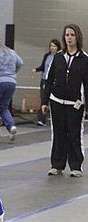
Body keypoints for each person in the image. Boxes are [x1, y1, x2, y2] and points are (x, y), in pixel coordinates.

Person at [41, 24, 88, 178]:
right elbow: (49, 80)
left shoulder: (84, 59)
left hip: (75, 104)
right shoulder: (58, 57)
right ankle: (57, 165)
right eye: (67, 35)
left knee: (74, 134)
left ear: (77, 37)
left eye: (72, 35)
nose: (69, 38)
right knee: (58, 133)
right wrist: (44, 101)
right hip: (56, 101)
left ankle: (76, 166)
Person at [32, 39, 61, 126]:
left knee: (55, 99)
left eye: (54, 46)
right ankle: (42, 119)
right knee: (43, 98)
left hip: (55, 80)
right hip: (45, 79)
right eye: (51, 46)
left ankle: (57, 119)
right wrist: (36, 69)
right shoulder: (47, 56)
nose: (52, 48)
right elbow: (43, 67)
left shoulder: (60, 56)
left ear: (58, 47)